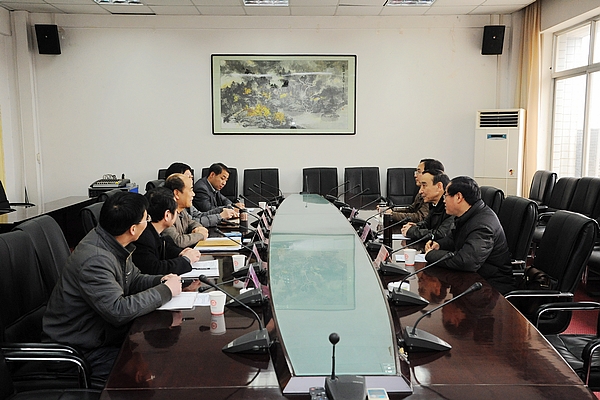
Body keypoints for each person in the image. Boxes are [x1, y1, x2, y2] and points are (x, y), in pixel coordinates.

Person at [43, 192, 182, 381]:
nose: (149, 222)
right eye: (146, 219)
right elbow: (118, 311)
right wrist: (165, 291)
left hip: (100, 338)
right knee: (159, 362)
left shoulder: (112, 242)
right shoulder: (95, 260)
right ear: (133, 229)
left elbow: (133, 279)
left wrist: (161, 280)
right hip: (79, 352)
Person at [424, 176, 515, 294]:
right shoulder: (469, 215)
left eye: (446, 196)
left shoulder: (483, 225)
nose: (444, 201)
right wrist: (439, 245)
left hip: (491, 288)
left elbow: (466, 262)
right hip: (475, 279)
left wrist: (431, 255)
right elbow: (455, 239)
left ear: (458, 197)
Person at [133, 186, 202, 276]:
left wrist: (181, 252)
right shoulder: (143, 238)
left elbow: (166, 247)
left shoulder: (154, 231)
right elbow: (155, 269)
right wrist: (186, 260)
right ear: (167, 215)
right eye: (176, 210)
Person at [165, 162, 236, 227]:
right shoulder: (169, 210)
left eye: (191, 177)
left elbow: (198, 215)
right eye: (188, 177)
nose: (193, 194)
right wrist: (220, 216)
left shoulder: (183, 203)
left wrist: (225, 209)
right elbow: (193, 222)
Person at [380, 158, 445, 229]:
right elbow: (412, 209)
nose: (415, 175)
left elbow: (421, 217)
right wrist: (391, 210)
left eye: (419, 172)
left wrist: (392, 214)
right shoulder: (421, 190)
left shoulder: (432, 196)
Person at [401, 169, 453, 248]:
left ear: (439, 186)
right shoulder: (434, 204)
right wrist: (414, 226)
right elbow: (426, 224)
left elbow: (441, 234)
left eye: (424, 186)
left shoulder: (451, 207)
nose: (420, 191)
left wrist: (412, 231)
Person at [163, 173, 209, 248]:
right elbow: (178, 241)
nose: (193, 194)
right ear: (177, 193)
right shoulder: (166, 214)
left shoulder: (182, 210)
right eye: (191, 190)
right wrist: (200, 235)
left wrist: (198, 228)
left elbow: (192, 222)